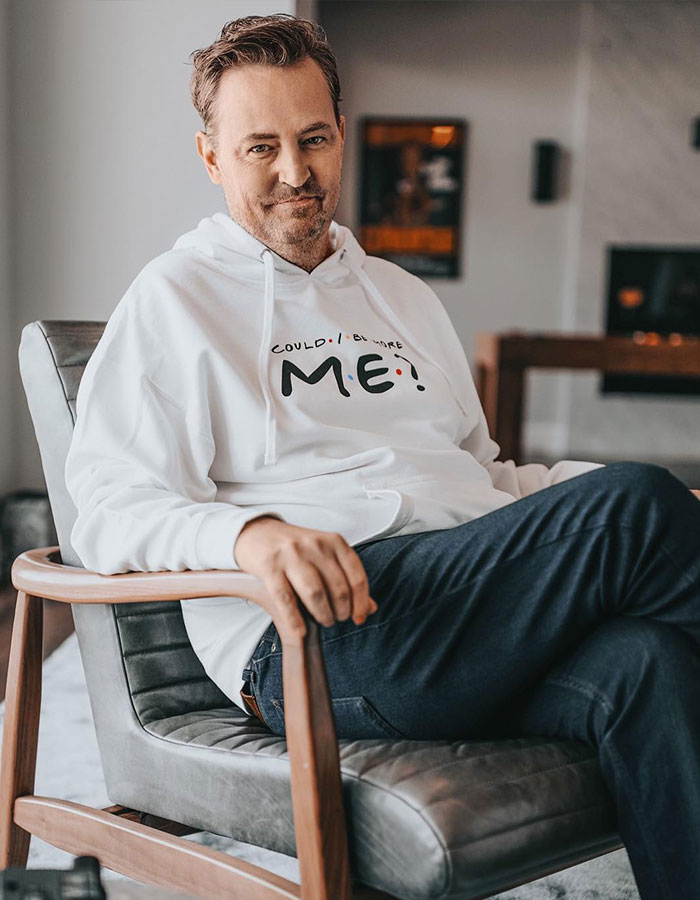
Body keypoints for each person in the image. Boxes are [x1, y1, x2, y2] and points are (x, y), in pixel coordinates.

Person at [63, 14, 700, 899]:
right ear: (211, 157)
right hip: (327, 632)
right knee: (639, 503)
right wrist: (250, 537)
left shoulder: (401, 295)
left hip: (469, 605)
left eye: (314, 138)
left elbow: (490, 479)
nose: (296, 171)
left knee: (648, 662)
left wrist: (645, 509)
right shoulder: (174, 300)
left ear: (341, 137)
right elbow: (104, 508)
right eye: (261, 147)